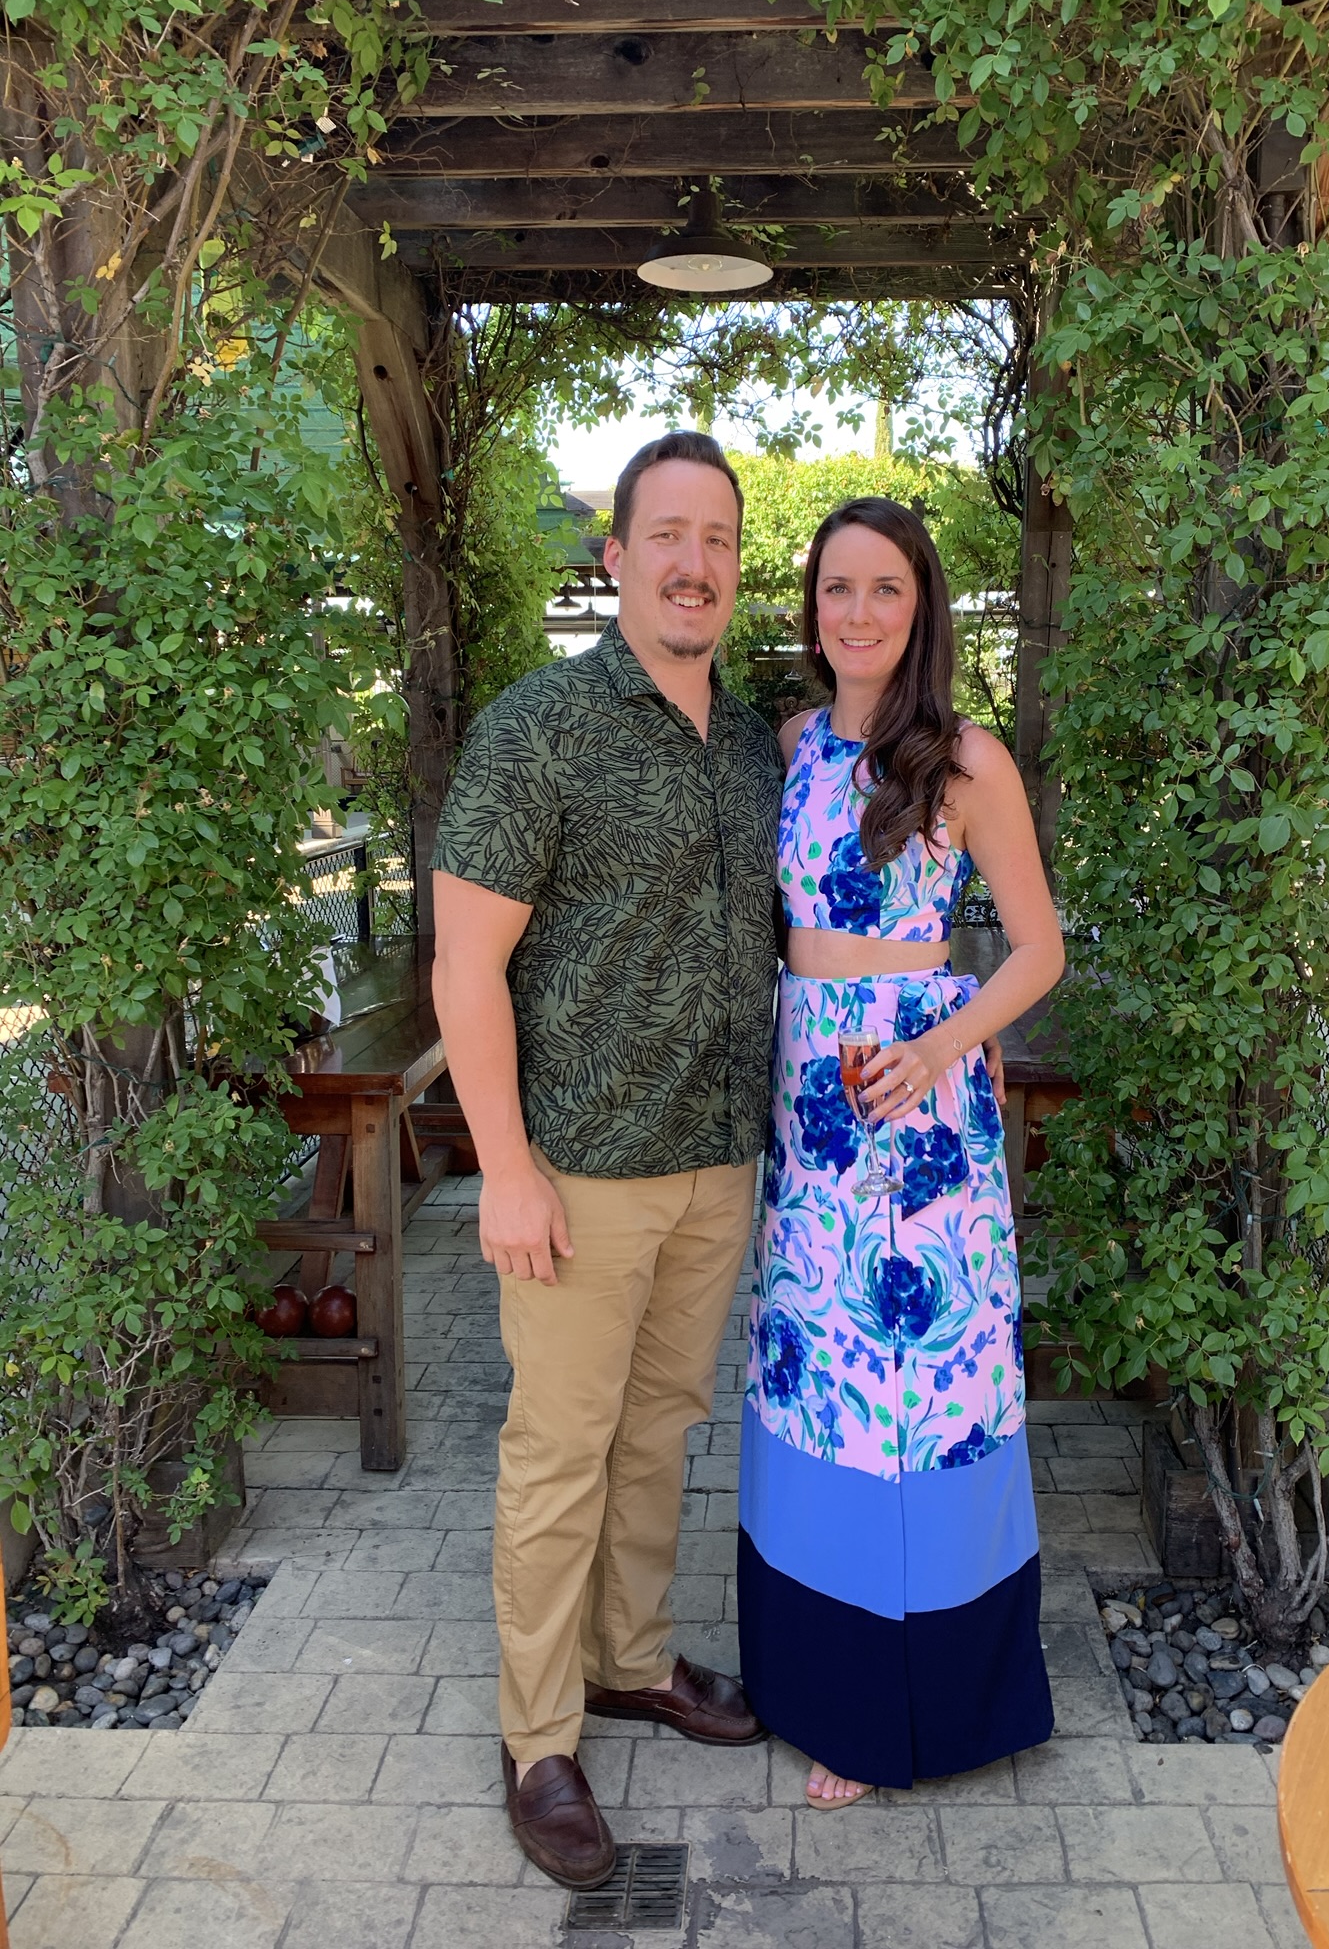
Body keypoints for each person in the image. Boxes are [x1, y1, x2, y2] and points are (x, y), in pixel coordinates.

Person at [430, 433, 785, 1889]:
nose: (693, 562)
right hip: (578, 1177)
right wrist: (502, 1167)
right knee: (560, 1456)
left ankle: (633, 1661)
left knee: (661, 1437)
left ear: (732, 567)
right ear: (618, 558)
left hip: (716, 1165)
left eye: (718, 539)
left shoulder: (759, 743)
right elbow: (465, 972)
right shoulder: (540, 730)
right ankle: (537, 1739)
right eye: (668, 535)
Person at [737, 496, 1066, 1807]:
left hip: (918, 1104)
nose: (856, 612)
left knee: (916, 1395)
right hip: (807, 1094)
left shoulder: (968, 758)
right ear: (812, 609)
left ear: (920, 606)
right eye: (836, 589)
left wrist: (942, 1046)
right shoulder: (792, 743)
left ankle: (901, 1712)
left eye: (883, 588)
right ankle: (811, 1677)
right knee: (811, 1372)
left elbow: (1038, 947)